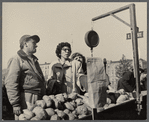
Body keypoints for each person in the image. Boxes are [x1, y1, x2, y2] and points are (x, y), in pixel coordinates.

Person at [4, 35, 46, 120]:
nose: (36, 45)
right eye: (34, 43)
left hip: (37, 97)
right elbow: (11, 82)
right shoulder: (16, 59)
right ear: (25, 44)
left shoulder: (34, 60)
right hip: (26, 98)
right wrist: (15, 104)